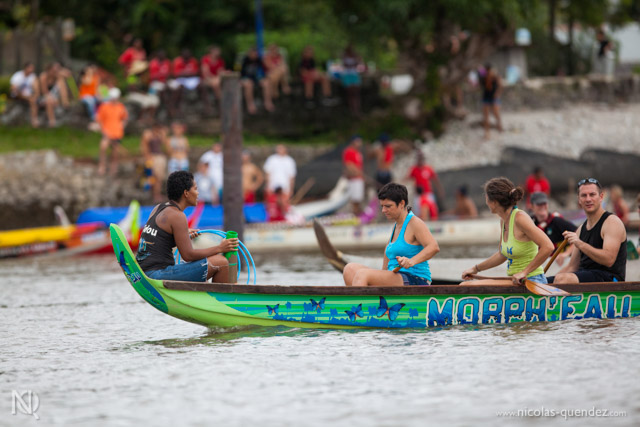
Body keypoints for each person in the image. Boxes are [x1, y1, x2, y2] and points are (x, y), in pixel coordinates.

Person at [135, 170, 238, 283]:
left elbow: (159, 240)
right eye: (195, 189)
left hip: (143, 272)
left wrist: (182, 234)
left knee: (207, 267)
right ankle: (221, 295)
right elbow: (188, 255)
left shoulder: (159, 207)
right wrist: (219, 248)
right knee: (221, 262)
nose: (198, 193)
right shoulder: (178, 216)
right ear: (186, 193)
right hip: (156, 274)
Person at [343, 183, 439, 287]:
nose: (383, 210)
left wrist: (411, 261)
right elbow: (385, 268)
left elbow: (433, 247)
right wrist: (379, 279)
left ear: (401, 203)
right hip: (396, 277)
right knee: (349, 269)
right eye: (382, 206)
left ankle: (360, 297)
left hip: (415, 279)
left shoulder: (414, 223)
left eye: (388, 206)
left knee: (362, 274)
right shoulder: (396, 226)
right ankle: (367, 296)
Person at [462, 177, 554, 285]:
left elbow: (548, 246)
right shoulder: (504, 221)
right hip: (516, 281)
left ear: (494, 202)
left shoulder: (520, 218)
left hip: (532, 280)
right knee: (465, 285)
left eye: (486, 197)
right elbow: (502, 255)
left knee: (466, 285)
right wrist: (475, 269)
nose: (486, 202)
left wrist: (524, 272)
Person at [553, 178, 627, 283]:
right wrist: (545, 282)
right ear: (579, 199)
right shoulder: (581, 229)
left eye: (592, 195)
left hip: (610, 279)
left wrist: (579, 243)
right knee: (544, 282)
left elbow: (609, 259)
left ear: (601, 197)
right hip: (586, 275)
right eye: (584, 195)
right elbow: (571, 267)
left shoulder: (612, 222)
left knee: (561, 279)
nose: (588, 199)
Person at [530, 191, 576, 266]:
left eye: (544, 203)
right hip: (539, 264)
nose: (542, 206)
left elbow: (579, 234)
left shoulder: (556, 220)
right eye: (539, 204)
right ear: (532, 206)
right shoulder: (530, 222)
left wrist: (566, 253)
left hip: (557, 264)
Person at [96, 87, 128, 176]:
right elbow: (100, 120)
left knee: (115, 152)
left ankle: (114, 167)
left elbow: (125, 118)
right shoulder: (104, 106)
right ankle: (102, 166)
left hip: (117, 134)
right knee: (103, 147)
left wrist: (122, 126)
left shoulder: (121, 107)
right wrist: (104, 131)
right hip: (107, 133)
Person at [240, 47, 274, 114]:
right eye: (253, 53)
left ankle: (268, 102)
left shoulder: (258, 59)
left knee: (266, 83)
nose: (255, 55)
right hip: (245, 79)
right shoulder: (244, 60)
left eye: (256, 54)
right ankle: (250, 104)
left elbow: (265, 69)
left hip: (255, 79)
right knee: (249, 85)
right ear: (249, 53)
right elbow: (239, 72)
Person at [140, 123, 168, 202]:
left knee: (159, 178)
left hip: (159, 157)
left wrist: (163, 135)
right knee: (151, 177)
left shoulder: (161, 134)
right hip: (151, 157)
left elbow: (165, 145)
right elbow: (144, 146)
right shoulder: (147, 134)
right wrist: (147, 157)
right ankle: (152, 194)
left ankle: (157, 194)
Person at [170, 49, 201, 116]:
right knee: (178, 87)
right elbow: (175, 74)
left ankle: (205, 105)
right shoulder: (177, 61)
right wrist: (186, 74)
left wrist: (186, 73)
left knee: (202, 84)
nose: (187, 55)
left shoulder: (193, 61)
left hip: (191, 79)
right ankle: (175, 106)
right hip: (181, 79)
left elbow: (197, 72)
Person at [38, 62, 71, 127]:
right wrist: (52, 99)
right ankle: (52, 122)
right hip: (42, 97)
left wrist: (60, 70)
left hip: (53, 96)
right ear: (49, 70)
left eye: (57, 70)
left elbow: (68, 74)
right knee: (49, 101)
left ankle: (65, 101)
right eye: (54, 71)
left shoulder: (57, 76)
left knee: (61, 82)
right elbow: (44, 92)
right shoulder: (43, 76)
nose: (55, 72)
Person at [9, 62, 40, 127]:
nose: (32, 70)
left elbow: (36, 89)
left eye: (32, 68)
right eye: (30, 68)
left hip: (28, 95)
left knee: (33, 100)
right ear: (25, 68)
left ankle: (34, 120)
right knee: (29, 99)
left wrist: (35, 96)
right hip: (17, 95)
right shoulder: (17, 75)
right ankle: (34, 120)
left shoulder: (33, 76)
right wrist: (25, 96)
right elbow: (13, 88)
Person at [343, 135, 365, 215]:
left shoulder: (357, 152)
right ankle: (355, 214)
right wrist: (357, 171)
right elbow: (348, 164)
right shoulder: (349, 151)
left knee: (359, 199)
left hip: (359, 178)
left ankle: (358, 213)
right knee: (354, 199)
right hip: (353, 178)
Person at [479, 63, 503, 140]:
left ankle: (499, 123)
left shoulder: (495, 76)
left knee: (496, 112)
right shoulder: (483, 77)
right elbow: (484, 87)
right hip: (486, 97)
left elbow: (500, 86)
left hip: (494, 97)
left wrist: (497, 94)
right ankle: (487, 132)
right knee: (486, 116)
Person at [200, 45, 226, 112]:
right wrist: (215, 78)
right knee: (215, 83)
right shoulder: (205, 59)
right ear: (212, 51)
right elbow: (206, 73)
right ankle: (221, 102)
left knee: (217, 82)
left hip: (216, 79)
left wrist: (218, 77)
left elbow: (220, 72)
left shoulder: (220, 60)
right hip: (207, 79)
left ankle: (221, 101)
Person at [341, 44, 363, 116]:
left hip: (354, 74)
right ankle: (352, 110)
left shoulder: (355, 55)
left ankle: (357, 109)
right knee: (350, 93)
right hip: (347, 75)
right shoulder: (344, 56)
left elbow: (358, 63)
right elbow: (344, 64)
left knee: (356, 93)